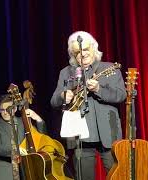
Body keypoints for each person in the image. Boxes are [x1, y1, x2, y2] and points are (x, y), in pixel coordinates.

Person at [51, 31, 127, 180]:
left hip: (109, 134)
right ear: (73, 55)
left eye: (86, 49)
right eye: (78, 52)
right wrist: (62, 96)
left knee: (117, 177)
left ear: (94, 48)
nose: (83, 54)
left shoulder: (109, 68)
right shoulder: (66, 73)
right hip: (80, 138)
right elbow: (54, 101)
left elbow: (121, 95)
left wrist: (99, 89)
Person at [0, 94, 46, 180]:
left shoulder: (24, 123)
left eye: (8, 109)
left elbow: (41, 138)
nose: (5, 112)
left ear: (15, 109)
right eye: (2, 110)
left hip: (25, 170)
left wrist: (38, 119)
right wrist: (16, 150)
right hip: (5, 172)